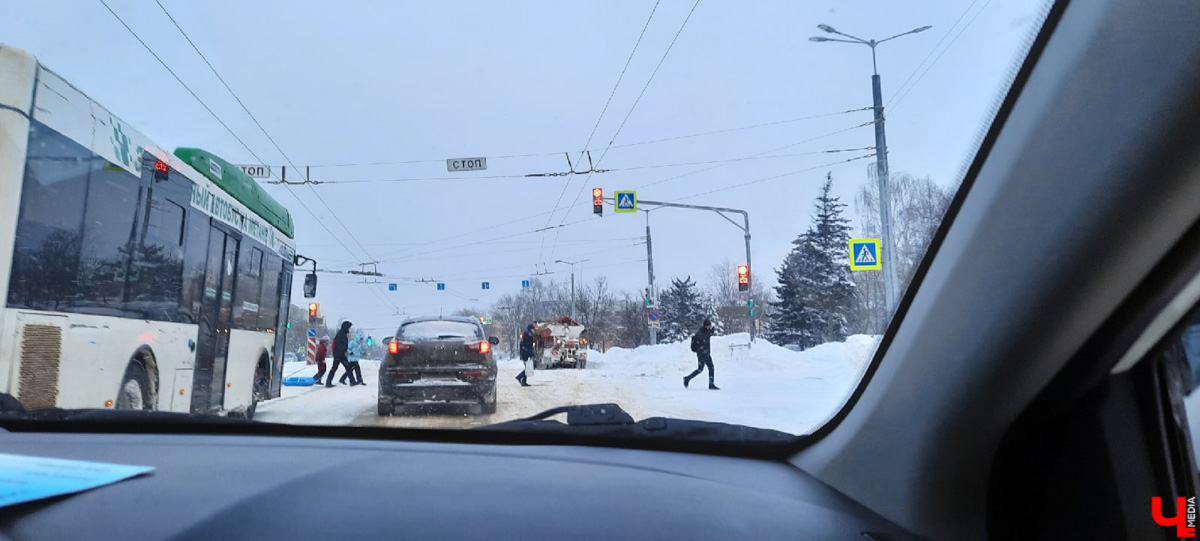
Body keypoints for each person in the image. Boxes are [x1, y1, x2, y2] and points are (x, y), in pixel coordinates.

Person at [684, 319, 718, 390]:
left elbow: (708, 335)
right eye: (709, 325)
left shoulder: (706, 331)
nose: (710, 327)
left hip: (706, 353)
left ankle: (711, 384)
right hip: (702, 354)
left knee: (710, 367)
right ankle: (687, 378)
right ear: (706, 325)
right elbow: (703, 340)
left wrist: (711, 331)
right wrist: (709, 333)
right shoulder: (700, 333)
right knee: (700, 369)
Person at [326, 321, 353, 387]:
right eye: (348, 327)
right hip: (339, 354)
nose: (349, 329)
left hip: (339, 354)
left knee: (339, 368)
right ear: (345, 327)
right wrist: (343, 352)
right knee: (346, 367)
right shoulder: (341, 334)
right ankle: (352, 381)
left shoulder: (342, 334)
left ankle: (328, 382)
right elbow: (339, 345)